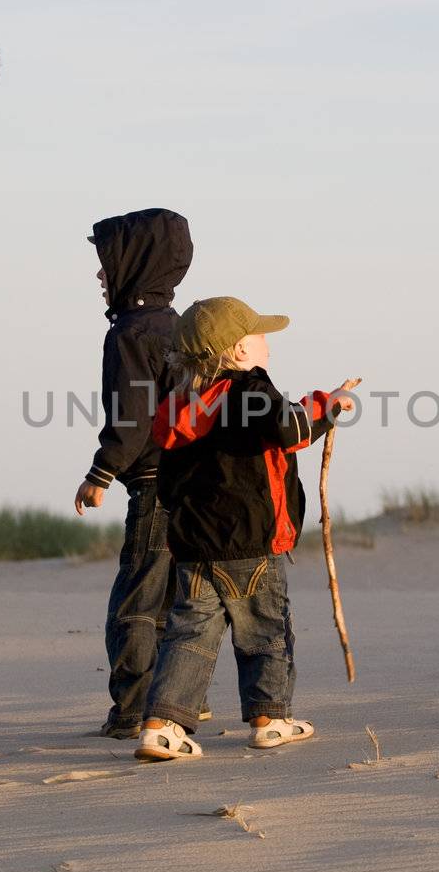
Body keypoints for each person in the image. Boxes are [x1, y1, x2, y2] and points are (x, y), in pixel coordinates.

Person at [134, 297, 359, 761]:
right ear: (237, 351)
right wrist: (329, 406)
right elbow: (288, 429)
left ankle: (161, 726)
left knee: (189, 632)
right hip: (251, 541)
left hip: (194, 543)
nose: (267, 347)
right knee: (265, 630)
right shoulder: (250, 388)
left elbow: (171, 479)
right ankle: (270, 719)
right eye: (260, 337)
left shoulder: (182, 403)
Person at [72, 209, 195, 739]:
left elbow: (133, 414)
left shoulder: (131, 332)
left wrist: (100, 472)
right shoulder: (182, 328)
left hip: (154, 484)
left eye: (107, 263)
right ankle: (180, 703)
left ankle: (133, 711)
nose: (101, 275)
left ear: (135, 263)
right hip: (195, 486)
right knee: (180, 598)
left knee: (137, 600)